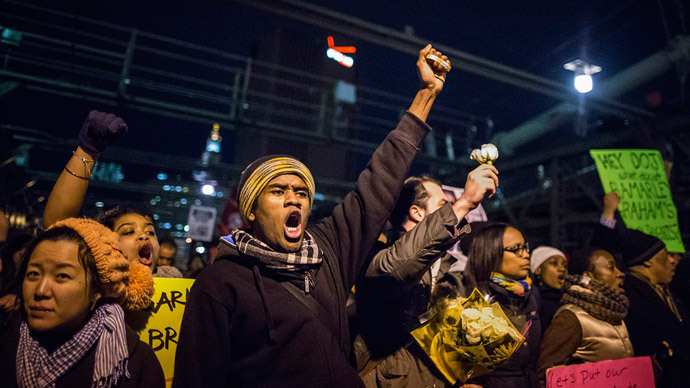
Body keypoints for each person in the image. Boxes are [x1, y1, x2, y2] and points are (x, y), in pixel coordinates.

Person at [173, 44, 450, 387]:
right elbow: (198, 378)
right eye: (278, 192)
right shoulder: (220, 283)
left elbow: (380, 181)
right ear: (251, 210)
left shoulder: (329, 251)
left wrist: (426, 94)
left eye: (301, 192)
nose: (294, 200)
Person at [354, 168, 497, 388]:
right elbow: (398, 266)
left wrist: (470, 376)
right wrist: (463, 203)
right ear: (417, 213)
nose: (450, 213)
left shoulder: (448, 272)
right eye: (443, 207)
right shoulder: (376, 257)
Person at [0, 218, 164, 387]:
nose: (41, 291)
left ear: (98, 290)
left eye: (62, 276)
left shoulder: (136, 364)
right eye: (34, 274)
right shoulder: (5, 341)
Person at [537, 247, 632, 384]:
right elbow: (547, 373)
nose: (620, 273)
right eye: (611, 267)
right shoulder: (571, 317)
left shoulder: (615, 315)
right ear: (588, 276)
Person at [463, 223, 541, 388]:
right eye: (516, 249)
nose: (526, 254)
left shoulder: (531, 294)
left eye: (525, 247)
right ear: (491, 253)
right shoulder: (472, 299)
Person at [620, 228, 690, 387]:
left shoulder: (668, 290)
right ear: (648, 260)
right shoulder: (630, 295)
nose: (672, 261)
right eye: (666, 255)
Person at [530, 246, 566, 333]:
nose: (562, 269)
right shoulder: (532, 302)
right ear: (538, 269)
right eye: (554, 263)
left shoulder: (568, 300)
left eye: (564, 265)